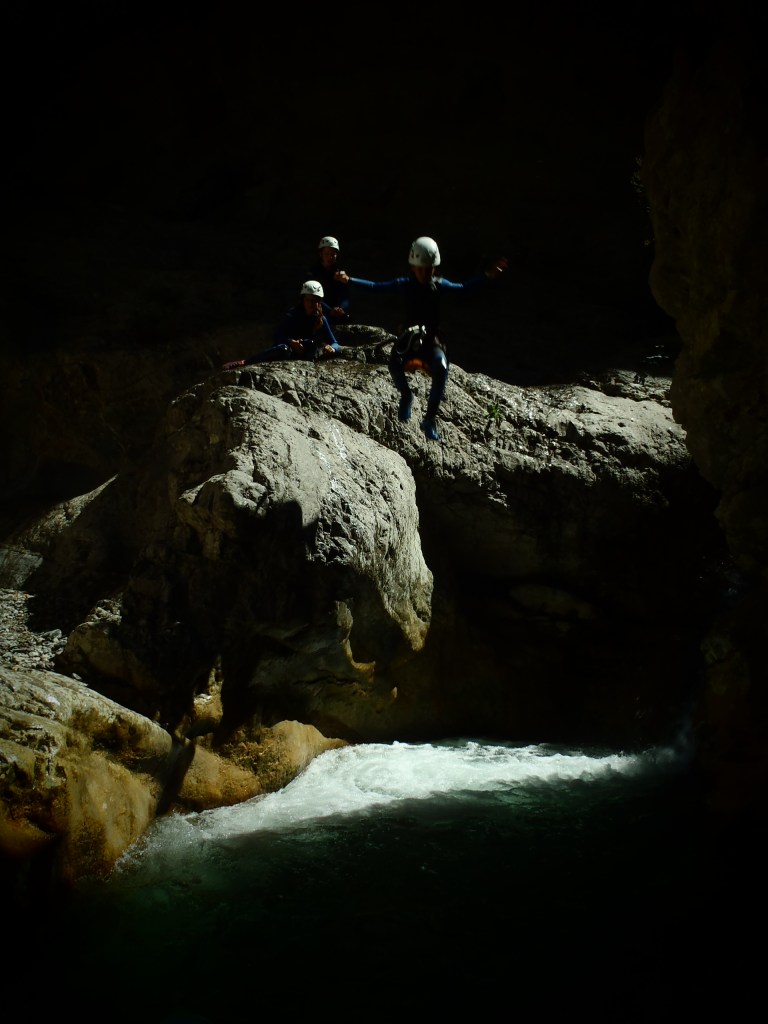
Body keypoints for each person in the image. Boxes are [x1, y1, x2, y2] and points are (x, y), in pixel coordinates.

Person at [343, 236, 507, 440]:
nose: (423, 273)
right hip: (410, 335)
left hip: (430, 337)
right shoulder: (404, 284)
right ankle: (406, 395)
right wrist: (350, 281)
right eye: (420, 269)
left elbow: (463, 290)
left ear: (433, 268)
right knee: (394, 364)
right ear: (413, 267)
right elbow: (377, 288)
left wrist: (487, 277)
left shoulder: (438, 285)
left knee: (441, 367)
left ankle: (429, 419)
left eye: (428, 269)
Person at [222, 280, 341, 368]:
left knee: (311, 344)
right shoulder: (293, 315)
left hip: (307, 353)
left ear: (319, 302)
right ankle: (246, 362)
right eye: (308, 300)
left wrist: (332, 349)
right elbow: (278, 336)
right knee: (282, 349)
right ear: (303, 300)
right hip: (289, 350)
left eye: (314, 301)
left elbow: (335, 342)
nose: (310, 304)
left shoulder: (321, 319)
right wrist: (291, 342)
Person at [304, 235, 351, 325]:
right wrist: (329, 310)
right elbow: (312, 297)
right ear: (321, 254)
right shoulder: (312, 273)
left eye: (333, 254)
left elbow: (345, 295)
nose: (330, 257)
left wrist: (341, 309)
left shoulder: (340, 273)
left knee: (346, 319)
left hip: (334, 309)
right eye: (327, 254)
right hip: (318, 308)